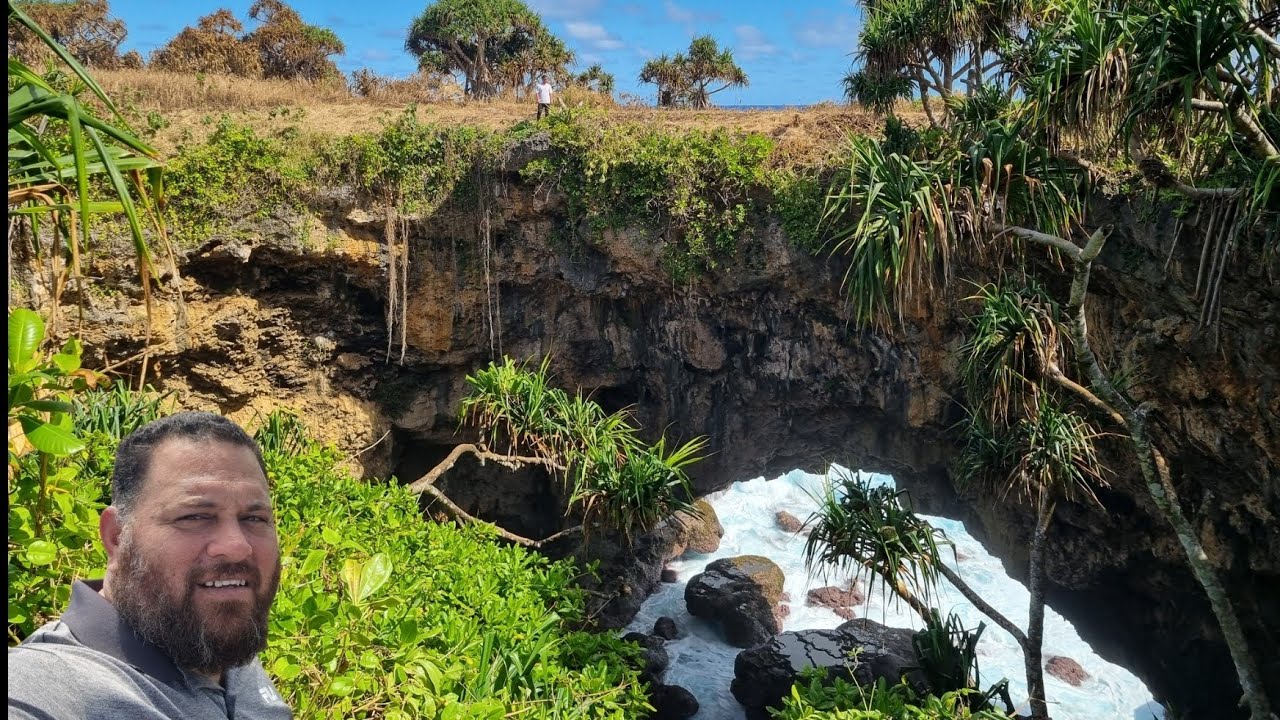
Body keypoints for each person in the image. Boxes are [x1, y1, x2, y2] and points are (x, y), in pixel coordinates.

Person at [8, 411, 292, 719]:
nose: (237, 547)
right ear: (117, 537)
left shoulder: (214, 643)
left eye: (254, 518)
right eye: (194, 516)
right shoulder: (40, 690)